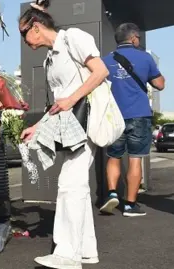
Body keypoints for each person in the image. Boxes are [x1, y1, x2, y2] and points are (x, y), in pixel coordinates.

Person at [19, 0, 109, 268]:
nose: (24, 41)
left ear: (35, 27)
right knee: (76, 186)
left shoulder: (74, 38)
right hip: (69, 126)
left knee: (70, 184)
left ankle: (67, 253)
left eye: (24, 34)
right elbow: (58, 102)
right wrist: (38, 126)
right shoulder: (50, 58)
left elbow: (101, 71)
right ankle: (87, 251)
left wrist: (71, 99)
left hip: (86, 122)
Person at [100, 23, 165, 217]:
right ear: (134, 38)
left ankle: (112, 193)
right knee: (135, 159)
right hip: (138, 114)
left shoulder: (105, 60)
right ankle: (130, 205)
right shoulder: (145, 58)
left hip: (114, 116)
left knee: (114, 156)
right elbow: (160, 84)